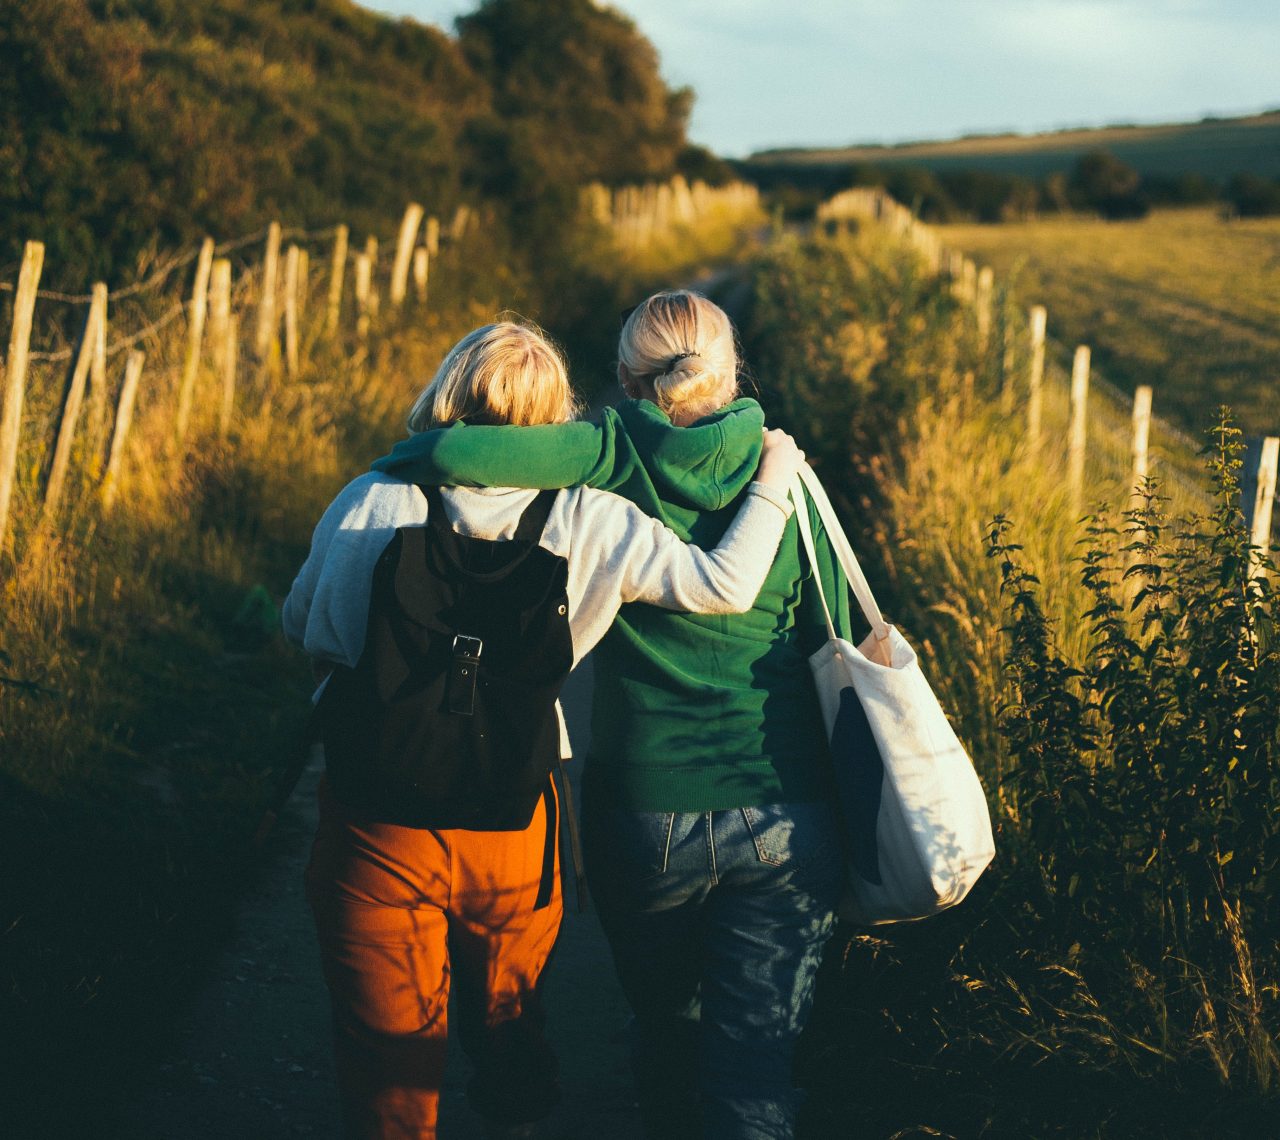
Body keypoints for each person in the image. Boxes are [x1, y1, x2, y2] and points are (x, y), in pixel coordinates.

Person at [282, 319, 808, 1140]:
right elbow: (719, 584)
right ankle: (514, 1115)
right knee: (509, 1017)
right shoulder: (593, 517)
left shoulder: (373, 496)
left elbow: (308, 626)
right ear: (559, 413)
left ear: (448, 391)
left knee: (383, 1052)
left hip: (375, 814)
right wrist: (778, 474)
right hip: (513, 813)